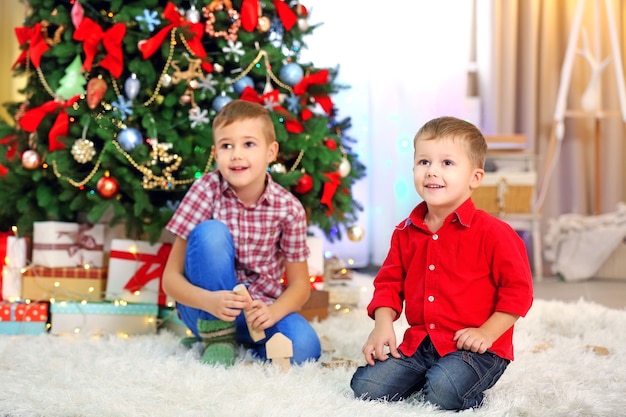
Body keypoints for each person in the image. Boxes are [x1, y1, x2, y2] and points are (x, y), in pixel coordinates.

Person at [350, 116, 534, 411]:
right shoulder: (404, 232)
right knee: (366, 387)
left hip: (478, 349)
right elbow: (388, 283)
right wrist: (382, 325)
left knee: (444, 390)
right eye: (424, 162)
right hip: (422, 343)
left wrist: (486, 332)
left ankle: (446, 379)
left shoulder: (496, 234)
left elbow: (518, 292)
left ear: (475, 177)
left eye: (447, 163)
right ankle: (430, 374)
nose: (432, 171)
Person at [162, 99, 321, 366]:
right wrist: (209, 301)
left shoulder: (288, 208)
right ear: (215, 153)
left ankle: (238, 344)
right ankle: (214, 335)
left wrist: (272, 313)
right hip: (205, 306)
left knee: (305, 349)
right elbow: (170, 279)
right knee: (211, 232)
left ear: (271, 152)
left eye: (248, 144)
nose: (236, 154)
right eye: (227, 146)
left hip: (257, 311)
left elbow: (300, 286)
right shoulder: (205, 190)